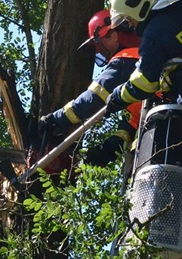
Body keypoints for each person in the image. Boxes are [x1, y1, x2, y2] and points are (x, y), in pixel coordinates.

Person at [37, 9, 145, 166]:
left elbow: (93, 99)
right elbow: (132, 122)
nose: (98, 50)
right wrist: (107, 150)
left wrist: (54, 119)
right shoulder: (141, 63)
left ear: (114, 36)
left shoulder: (125, 60)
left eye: (99, 44)